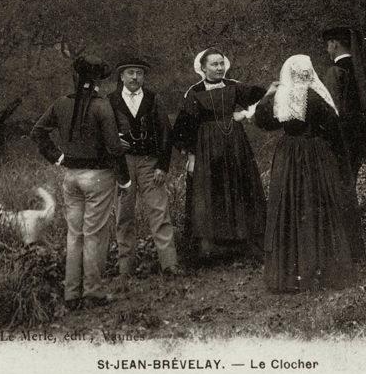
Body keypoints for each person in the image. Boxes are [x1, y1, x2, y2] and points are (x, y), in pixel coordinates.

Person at [254, 54, 361, 293]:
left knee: (290, 207)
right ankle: (320, 267)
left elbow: (262, 121)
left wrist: (268, 94)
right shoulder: (315, 96)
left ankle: (292, 272)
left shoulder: (280, 97)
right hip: (314, 155)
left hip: (288, 155)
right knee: (317, 206)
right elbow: (333, 127)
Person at [31, 54, 131, 310]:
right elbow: (113, 147)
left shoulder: (61, 103)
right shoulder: (101, 105)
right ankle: (94, 292)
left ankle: (72, 294)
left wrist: (59, 157)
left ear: (77, 76)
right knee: (94, 235)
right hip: (98, 177)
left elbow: (37, 132)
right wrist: (125, 179)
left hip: (70, 176)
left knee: (74, 236)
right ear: (98, 79)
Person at [172, 47, 267, 266]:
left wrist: (245, 114)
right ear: (203, 68)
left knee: (239, 188)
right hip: (207, 152)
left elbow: (263, 96)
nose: (219, 68)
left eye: (221, 63)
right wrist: (192, 157)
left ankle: (244, 245)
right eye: (214, 64)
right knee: (211, 193)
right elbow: (183, 129)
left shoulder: (234, 86)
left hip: (235, 147)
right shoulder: (194, 92)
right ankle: (213, 251)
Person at [108, 56, 179, 278]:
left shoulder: (153, 99)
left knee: (159, 212)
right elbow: (102, 132)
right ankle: (125, 270)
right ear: (122, 76)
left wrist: (162, 166)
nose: (135, 77)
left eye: (139, 73)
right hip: (123, 164)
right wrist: (114, 142)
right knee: (123, 216)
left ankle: (170, 265)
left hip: (150, 163)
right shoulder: (111, 101)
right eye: (130, 73)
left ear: (144, 77)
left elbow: (166, 132)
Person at [322, 24, 366, 185]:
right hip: (360, 134)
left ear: (334, 44)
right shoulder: (363, 71)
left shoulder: (335, 72)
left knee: (339, 182)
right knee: (350, 180)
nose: (327, 49)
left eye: (328, 45)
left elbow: (330, 109)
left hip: (341, 136)